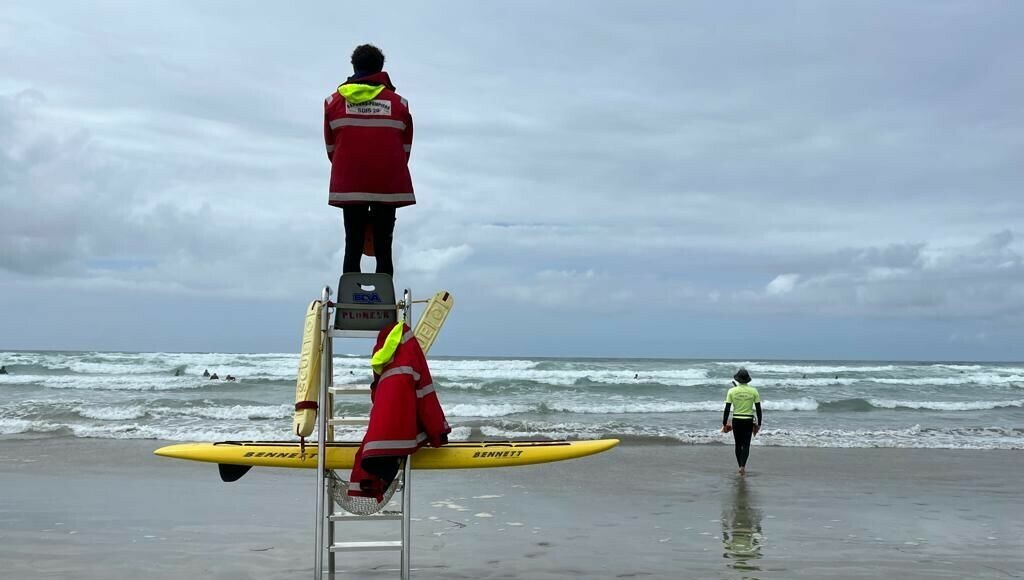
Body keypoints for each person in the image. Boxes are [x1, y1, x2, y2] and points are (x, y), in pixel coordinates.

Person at [324, 44, 415, 277]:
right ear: (380, 68)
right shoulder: (399, 104)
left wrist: (351, 168)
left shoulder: (333, 102)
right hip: (389, 183)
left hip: (349, 183)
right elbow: (405, 148)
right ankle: (385, 304)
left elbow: (331, 147)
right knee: (384, 246)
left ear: (354, 66)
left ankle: (350, 303)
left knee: (353, 242)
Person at [721, 368, 762, 476]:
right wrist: (759, 423)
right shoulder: (753, 391)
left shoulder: (732, 391)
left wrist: (724, 423)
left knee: (738, 445)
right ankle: (743, 466)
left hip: (737, 420)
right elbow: (758, 409)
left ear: (738, 379)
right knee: (746, 445)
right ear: (748, 380)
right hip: (748, 420)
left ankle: (740, 466)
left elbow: (727, 408)